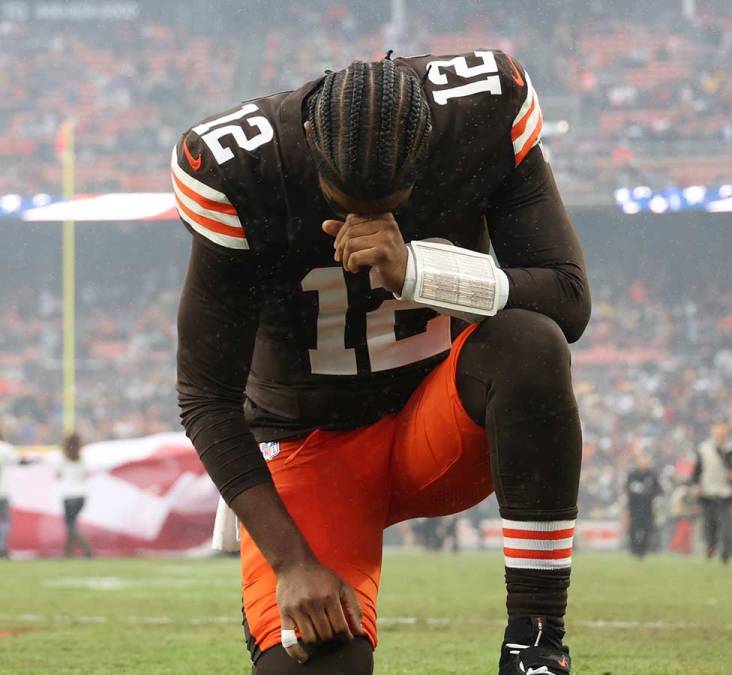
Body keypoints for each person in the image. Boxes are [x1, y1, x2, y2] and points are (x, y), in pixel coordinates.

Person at [175, 51, 589, 675]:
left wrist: (418, 271)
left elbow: (568, 298)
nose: (363, 222)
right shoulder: (242, 168)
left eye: (386, 202)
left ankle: (535, 643)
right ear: (312, 144)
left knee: (529, 343)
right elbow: (205, 397)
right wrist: (292, 562)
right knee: (323, 665)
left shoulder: (484, 108)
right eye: (345, 200)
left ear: (427, 149)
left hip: (436, 419)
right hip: (308, 446)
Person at [691, 425, 732, 564]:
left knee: (726, 526)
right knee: (710, 525)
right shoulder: (704, 449)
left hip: (726, 493)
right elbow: (697, 470)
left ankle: (725, 555)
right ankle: (711, 545)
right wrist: (696, 485)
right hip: (708, 493)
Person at [0, 427, 21, 558]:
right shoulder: (4, 447)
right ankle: (0, 546)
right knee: (4, 521)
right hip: (2, 489)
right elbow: (17, 459)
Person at [58, 432, 93, 558]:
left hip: (69, 496)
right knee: (72, 523)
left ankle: (86, 548)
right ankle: (68, 552)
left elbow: (58, 474)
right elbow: (87, 473)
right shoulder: (81, 458)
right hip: (81, 496)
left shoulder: (64, 458)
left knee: (70, 524)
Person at [624, 454, 662, 559]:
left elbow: (658, 490)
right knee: (634, 529)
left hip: (647, 507)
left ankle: (642, 550)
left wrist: (650, 494)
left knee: (647, 529)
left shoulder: (652, 475)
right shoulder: (632, 475)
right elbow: (627, 489)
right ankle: (633, 549)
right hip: (635, 507)